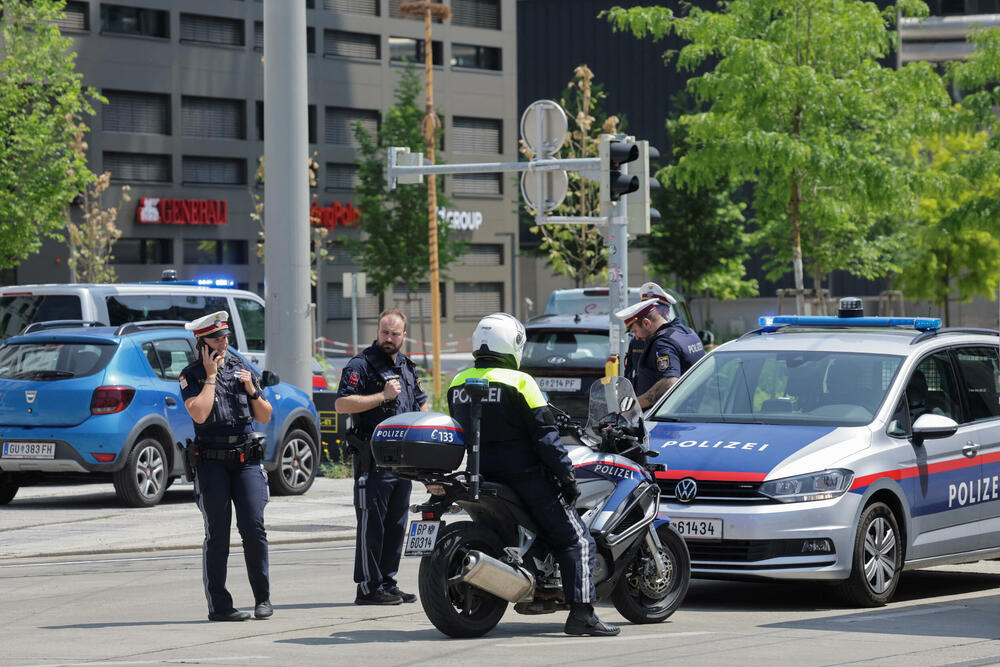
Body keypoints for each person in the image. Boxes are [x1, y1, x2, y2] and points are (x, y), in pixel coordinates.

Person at [447, 312, 620, 637]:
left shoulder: (458, 381)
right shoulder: (521, 382)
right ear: (512, 345)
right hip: (526, 478)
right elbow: (546, 439)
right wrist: (566, 477)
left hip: (481, 474)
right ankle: (582, 614)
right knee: (578, 540)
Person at [179, 310, 274, 622]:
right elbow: (200, 414)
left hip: (246, 459)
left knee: (253, 526)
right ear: (202, 344)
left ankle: (263, 599)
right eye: (217, 339)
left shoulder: (241, 367)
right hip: (212, 462)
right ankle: (220, 606)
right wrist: (210, 376)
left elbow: (264, 415)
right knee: (218, 532)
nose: (224, 343)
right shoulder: (190, 375)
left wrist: (253, 391)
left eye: (225, 337)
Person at [335, 309, 428, 606]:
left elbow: (421, 406)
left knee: (396, 525)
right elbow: (341, 404)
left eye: (395, 333)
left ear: (404, 336)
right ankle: (367, 587)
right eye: (385, 332)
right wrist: (382, 396)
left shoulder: (408, 367)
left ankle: (388, 582)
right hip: (373, 460)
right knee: (371, 524)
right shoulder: (360, 366)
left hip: (404, 462)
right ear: (377, 332)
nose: (389, 338)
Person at [616, 294, 705, 410]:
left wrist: (634, 406)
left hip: (669, 418)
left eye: (635, 331)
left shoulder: (663, 343)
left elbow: (669, 382)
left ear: (647, 323)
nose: (636, 337)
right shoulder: (687, 333)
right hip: (692, 411)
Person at [623, 282, 676, 388]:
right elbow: (630, 373)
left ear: (667, 311)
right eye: (646, 306)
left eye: (654, 307)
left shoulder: (674, 337)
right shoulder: (637, 340)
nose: (650, 311)